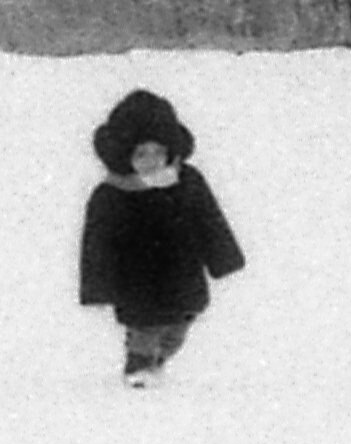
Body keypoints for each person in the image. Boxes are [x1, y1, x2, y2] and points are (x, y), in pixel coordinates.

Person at [78, 89, 245, 387]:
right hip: (136, 279)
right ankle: (139, 366)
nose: (151, 161)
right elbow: (96, 243)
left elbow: (210, 220)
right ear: (124, 156)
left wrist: (223, 257)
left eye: (158, 152)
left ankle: (157, 357)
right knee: (145, 326)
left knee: (177, 329)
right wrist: (98, 285)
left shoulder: (188, 182)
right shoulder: (112, 194)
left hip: (183, 274)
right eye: (141, 154)